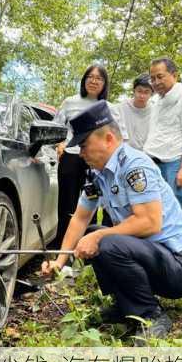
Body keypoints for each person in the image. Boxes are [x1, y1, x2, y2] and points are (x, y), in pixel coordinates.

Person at [42, 100, 182, 344]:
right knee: (96, 230)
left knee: (104, 240)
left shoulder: (134, 166)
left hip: (180, 267)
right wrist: (60, 261)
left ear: (108, 139)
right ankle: (126, 306)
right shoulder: (98, 174)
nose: (81, 153)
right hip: (151, 257)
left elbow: (150, 223)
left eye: (84, 145)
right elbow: (81, 218)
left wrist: (97, 237)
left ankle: (151, 316)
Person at [51, 65, 113, 248]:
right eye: (90, 77)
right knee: (66, 204)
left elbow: (114, 134)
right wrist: (59, 143)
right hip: (70, 156)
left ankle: (85, 249)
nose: (94, 81)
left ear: (104, 84)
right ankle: (60, 248)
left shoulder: (107, 107)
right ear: (84, 80)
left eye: (99, 78)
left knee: (91, 204)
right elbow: (57, 127)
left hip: (95, 161)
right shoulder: (70, 102)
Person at [143, 57, 182, 218]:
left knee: (176, 211)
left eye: (160, 76)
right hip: (152, 162)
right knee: (153, 211)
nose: (155, 82)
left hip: (174, 164)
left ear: (174, 75)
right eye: (152, 78)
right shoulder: (155, 101)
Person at [113, 73, 153, 151]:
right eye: (139, 91)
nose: (142, 96)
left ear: (151, 93)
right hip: (125, 151)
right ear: (134, 91)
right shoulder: (121, 108)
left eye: (146, 92)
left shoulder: (154, 110)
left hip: (146, 154)